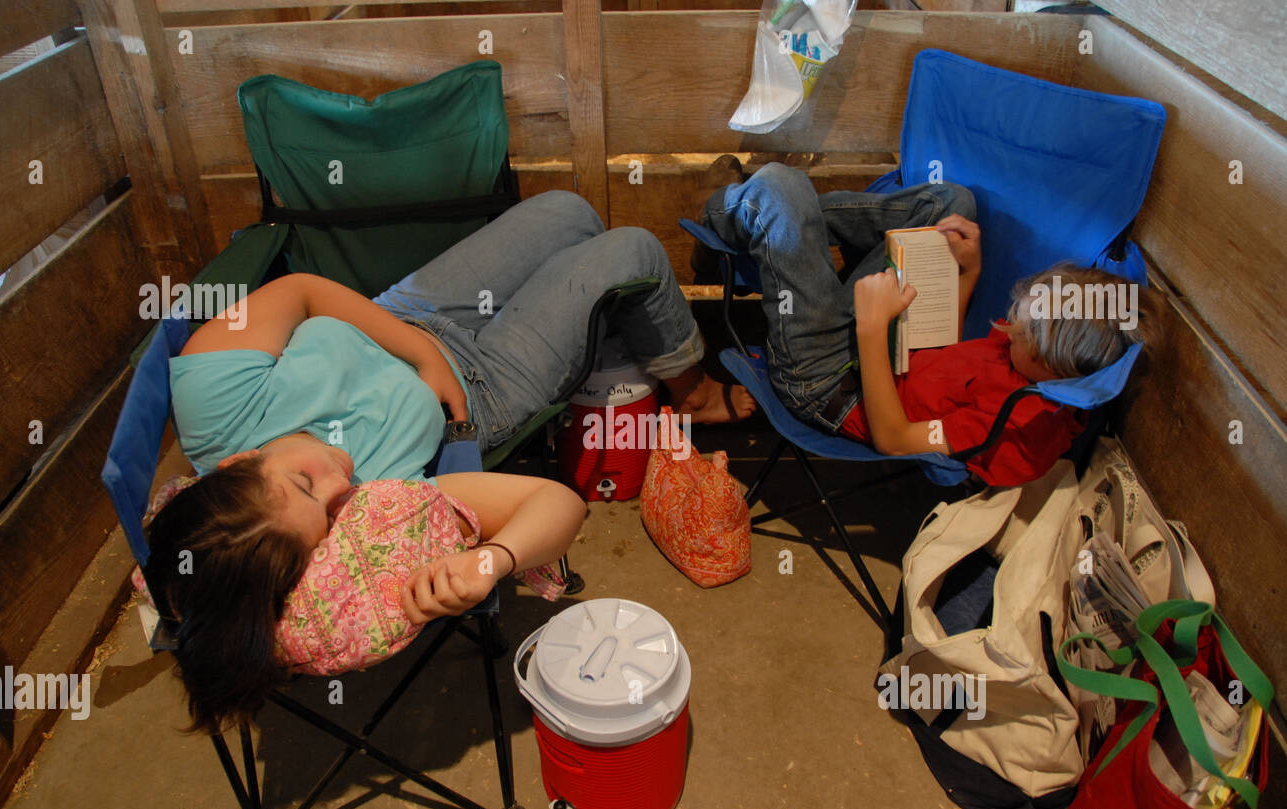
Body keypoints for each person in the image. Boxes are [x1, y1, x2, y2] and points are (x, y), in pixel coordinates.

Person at [147, 189, 752, 731]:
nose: (340, 478)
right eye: (330, 514)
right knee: (635, 251)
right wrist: (493, 559)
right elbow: (558, 505)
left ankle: (612, 329)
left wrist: (418, 351)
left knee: (571, 212)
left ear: (236, 464)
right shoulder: (378, 522)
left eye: (305, 480)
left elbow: (302, 292)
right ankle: (692, 393)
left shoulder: (215, 406)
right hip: (483, 390)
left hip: (400, 317)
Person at [696, 161, 1162, 487]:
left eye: (1023, 333)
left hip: (827, 382)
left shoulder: (1007, 429)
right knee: (953, 206)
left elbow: (895, 438)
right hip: (886, 340)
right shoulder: (1037, 368)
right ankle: (777, 228)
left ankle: (726, 214)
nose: (1010, 327)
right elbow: (947, 363)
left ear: (1050, 363)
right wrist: (968, 271)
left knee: (781, 186)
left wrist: (872, 330)